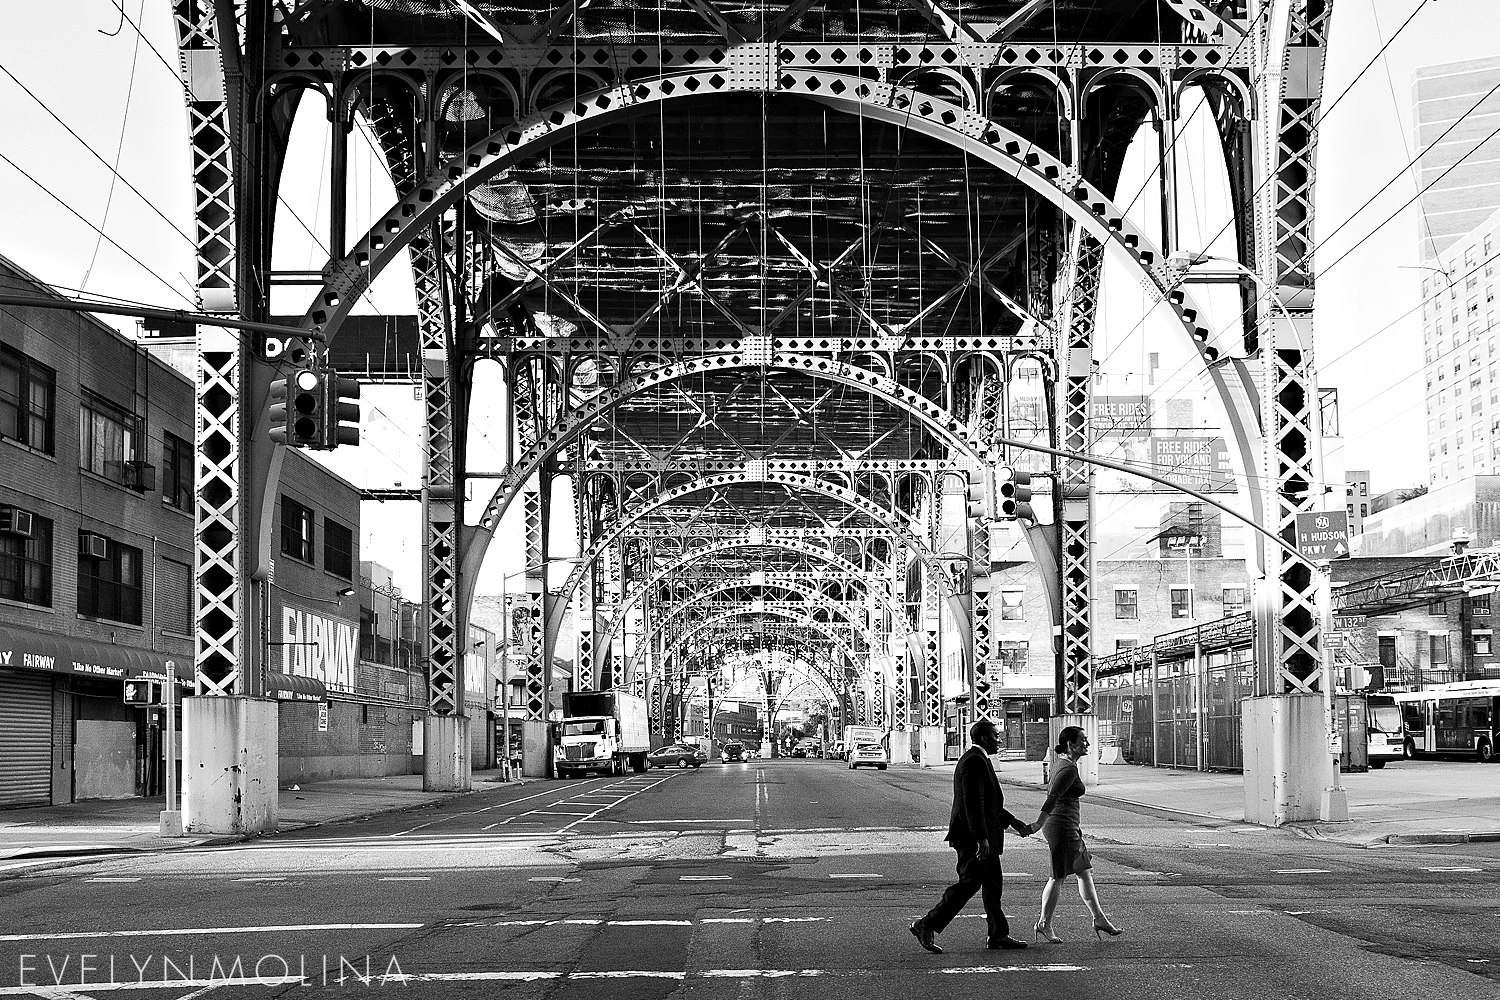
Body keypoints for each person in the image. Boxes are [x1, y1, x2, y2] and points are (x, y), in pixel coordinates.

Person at [909, 719, 1033, 954]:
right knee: (969, 883)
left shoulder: (979, 759)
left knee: (993, 886)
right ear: (985, 738)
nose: (1000, 739)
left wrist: (1013, 822)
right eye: (996, 735)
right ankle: (926, 924)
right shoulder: (974, 761)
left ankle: (998, 935)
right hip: (972, 837)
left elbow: (989, 803)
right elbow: (972, 804)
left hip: (983, 836)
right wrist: (980, 839)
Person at [1030, 726, 1123, 943]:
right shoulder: (1067, 769)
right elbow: (1052, 798)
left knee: (1083, 870)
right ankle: (1044, 923)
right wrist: (1037, 824)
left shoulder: (1064, 764)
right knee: (1058, 876)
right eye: (1083, 740)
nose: (1087, 744)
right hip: (1061, 827)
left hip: (1068, 825)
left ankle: (1099, 918)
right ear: (1071, 745)